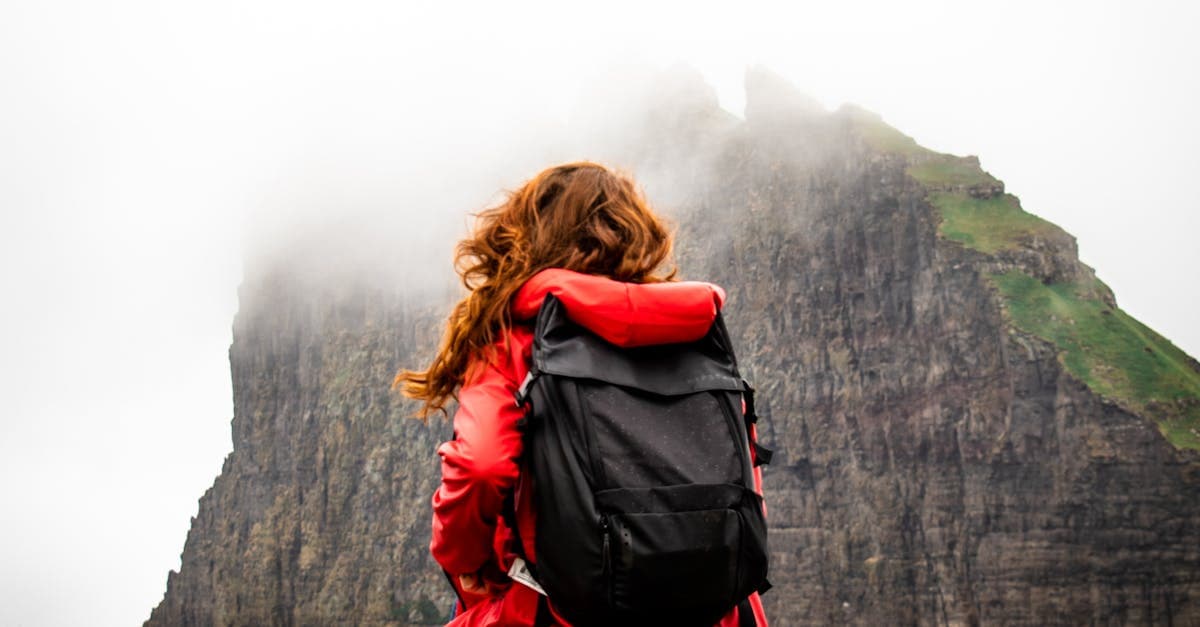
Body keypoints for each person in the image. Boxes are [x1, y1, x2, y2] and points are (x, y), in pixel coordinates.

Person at [394, 161, 769, 626]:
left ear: (528, 238)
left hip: (558, 609)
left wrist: (465, 559)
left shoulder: (520, 339)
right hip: (710, 607)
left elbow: (480, 464)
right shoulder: (695, 331)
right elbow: (744, 475)